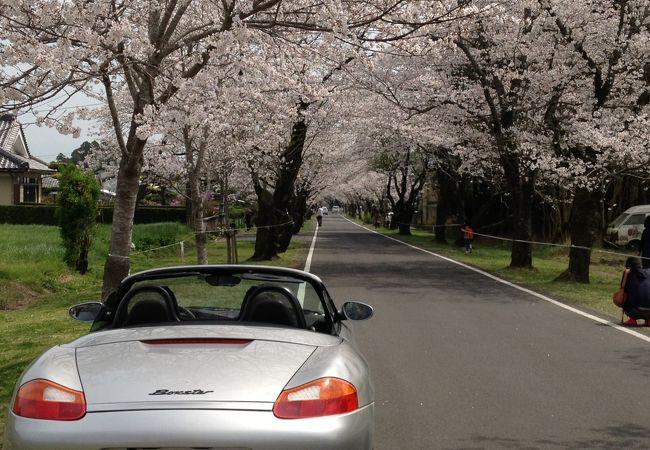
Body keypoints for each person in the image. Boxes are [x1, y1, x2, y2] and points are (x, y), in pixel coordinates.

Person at [619, 256, 650, 326]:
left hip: (634, 311)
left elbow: (624, 292)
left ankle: (632, 319)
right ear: (641, 265)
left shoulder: (628, 273)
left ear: (628, 267)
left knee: (624, 295)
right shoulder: (649, 272)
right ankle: (648, 320)